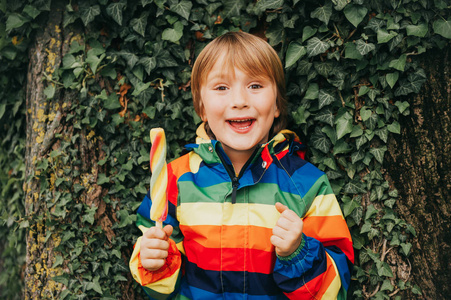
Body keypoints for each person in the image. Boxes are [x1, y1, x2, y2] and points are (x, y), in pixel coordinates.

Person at [129, 31, 354, 299]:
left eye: (255, 86)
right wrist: (155, 263)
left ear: (277, 104)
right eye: (222, 88)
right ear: (202, 107)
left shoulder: (306, 183)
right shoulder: (176, 179)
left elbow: (335, 290)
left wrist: (298, 251)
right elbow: (161, 289)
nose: (239, 101)